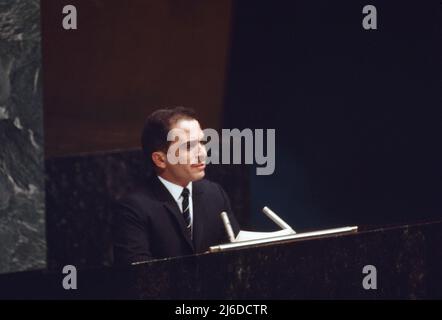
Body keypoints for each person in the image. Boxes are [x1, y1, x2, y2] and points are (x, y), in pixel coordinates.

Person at [112, 106, 240, 265]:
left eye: (201, 142)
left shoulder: (214, 194)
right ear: (160, 159)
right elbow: (138, 276)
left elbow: (237, 256)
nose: (201, 154)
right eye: (188, 146)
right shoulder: (134, 208)